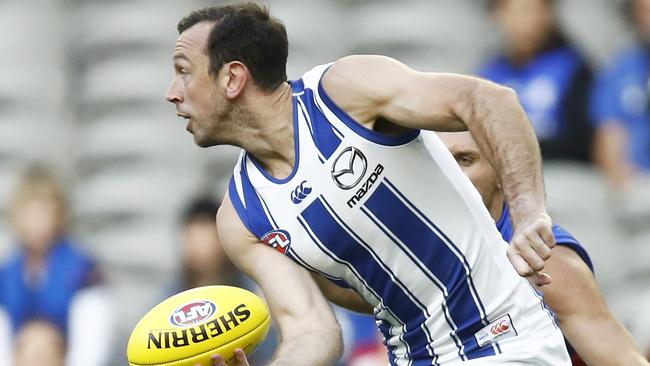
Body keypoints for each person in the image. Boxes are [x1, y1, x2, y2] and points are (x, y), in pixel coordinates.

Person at [166, 3, 565, 365]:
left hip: (510, 342)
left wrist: (528, 212)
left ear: (233, 77)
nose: (173, 94)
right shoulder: (240, 217)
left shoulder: (344, 92)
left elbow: (490, 101)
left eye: (184, 71)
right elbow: (313, 330)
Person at [434, 131, 650, 366]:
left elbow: (621, 360)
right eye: (438, 159)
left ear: (503, 172)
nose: (449, 173)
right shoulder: (412, 236)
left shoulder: (546, 260)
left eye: (465, 160)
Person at [0, 165, 114, 366]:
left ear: (59, 215)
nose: (37, 221)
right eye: (30, 212)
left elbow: (90, 345)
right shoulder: (8, 272)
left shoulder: (82, 270)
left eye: (44, 211)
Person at [479, 0, 594, 163]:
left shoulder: (573, 68)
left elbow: (582, 141)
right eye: (523, 10)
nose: (533, 19)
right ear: (499, 14)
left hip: (557, 170)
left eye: (541, 10)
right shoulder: (487, 74)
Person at [590, 0, 650, 191]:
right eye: (645, 11)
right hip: (638, 185)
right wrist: (623, 182)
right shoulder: (621, 69)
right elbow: (609, 135)